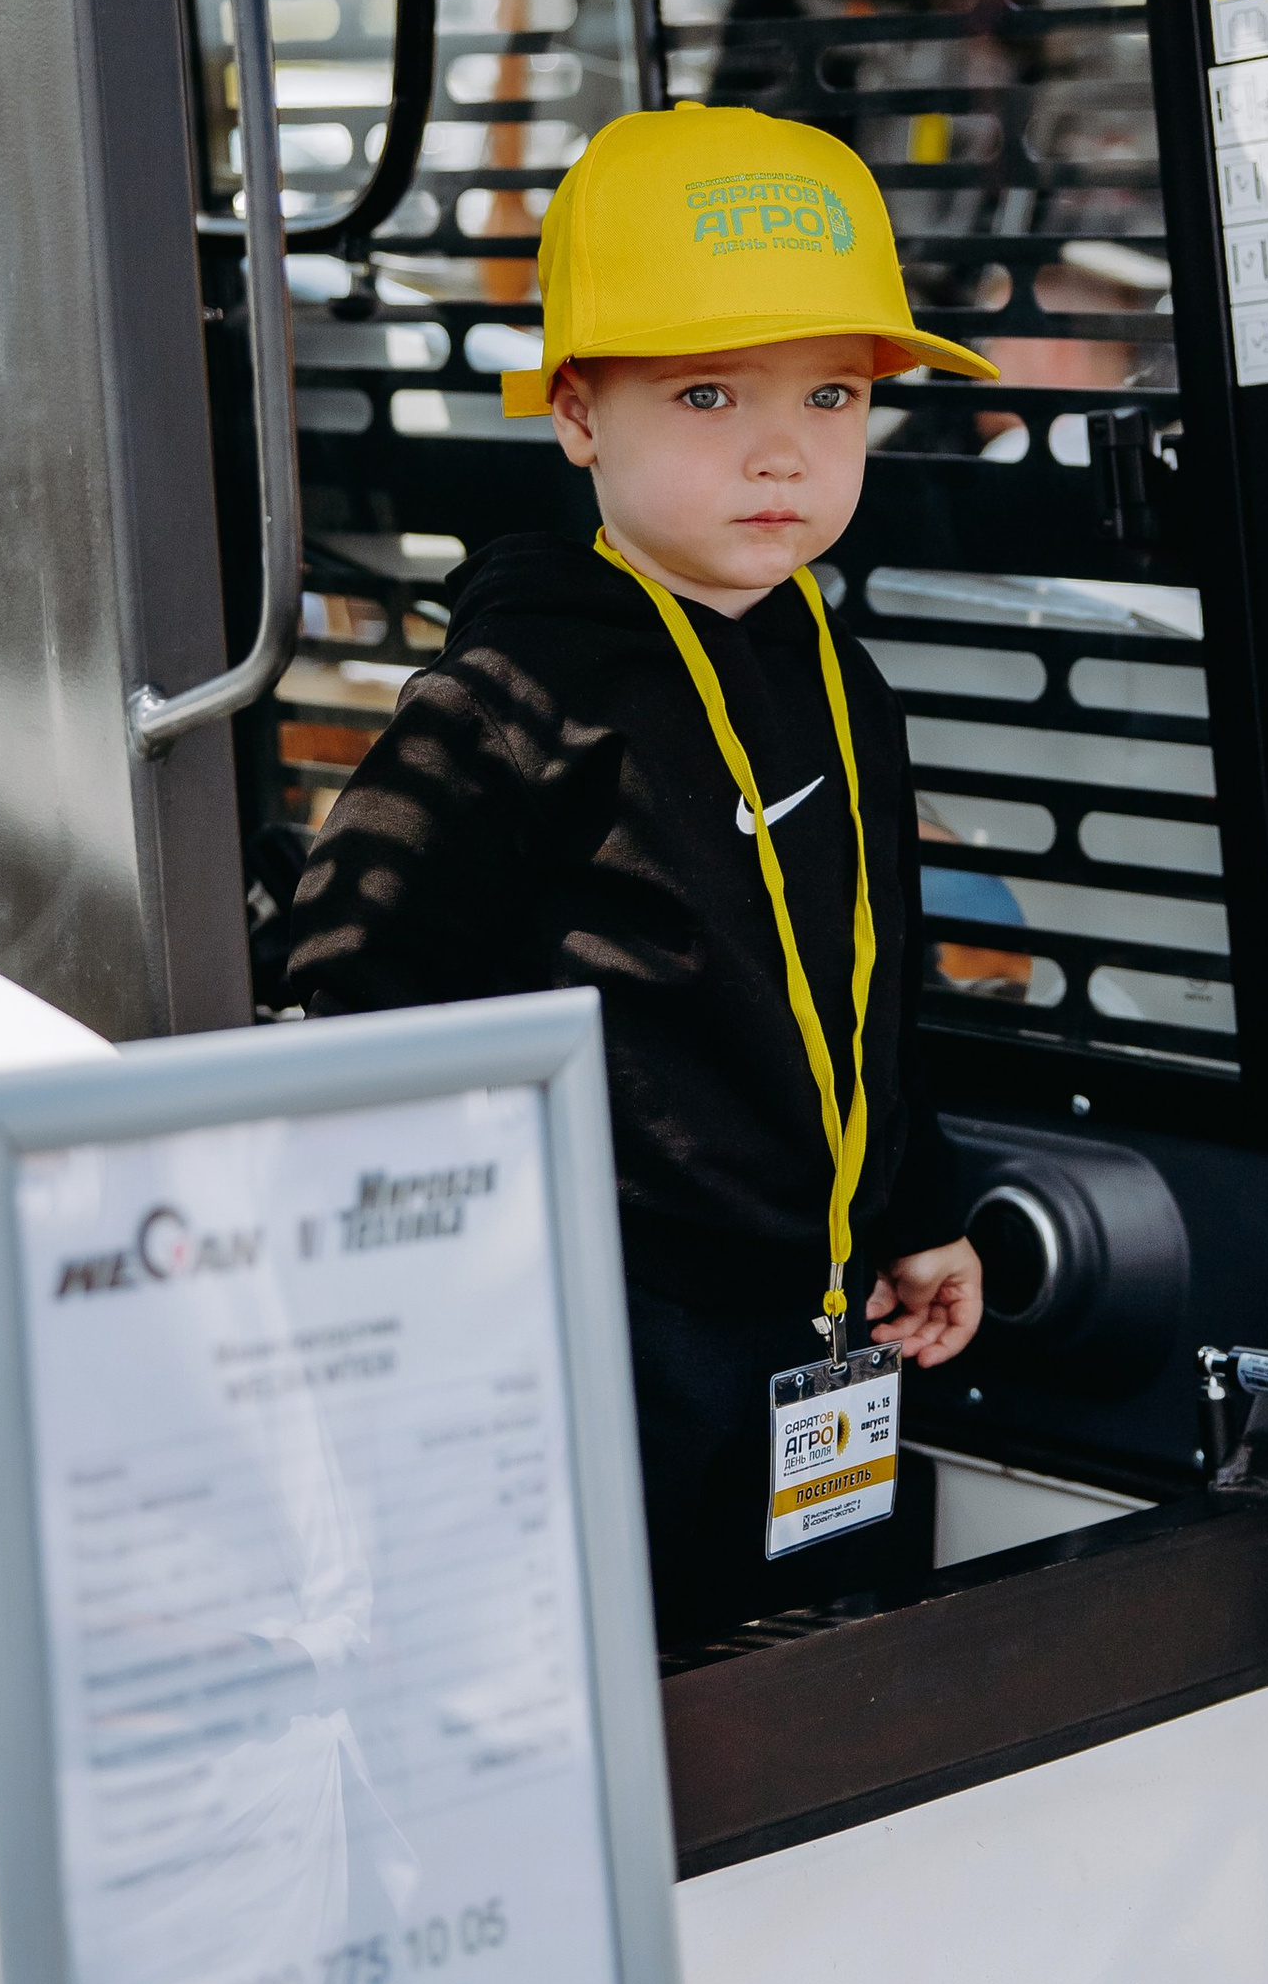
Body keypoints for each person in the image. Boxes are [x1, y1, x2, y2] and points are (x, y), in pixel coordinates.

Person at [288, 101, 990, 1641]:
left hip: (821, 1319)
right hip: (604, 1335)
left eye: (831, 392)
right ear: (578, 415)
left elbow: (870, 991)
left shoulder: (839, 674)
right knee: (625, 1680)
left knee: (809, 1679)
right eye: (706, 390)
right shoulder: (515, 697)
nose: (782, 447)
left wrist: (915, 1204)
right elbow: (352, 980)